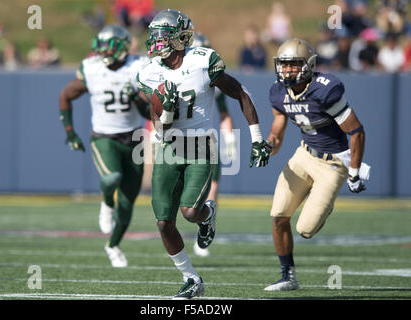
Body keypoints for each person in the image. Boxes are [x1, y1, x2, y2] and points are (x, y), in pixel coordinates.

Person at [137, 9, 272, 299]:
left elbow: (240, 92)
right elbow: (157, 125)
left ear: (179, 37)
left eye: (161, 35)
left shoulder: (202, 61)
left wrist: (257, 138)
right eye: (155, 35)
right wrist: (167, 111)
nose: (156, 41)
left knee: (190, 212)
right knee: (163, 221)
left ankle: (207, 214)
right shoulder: (149, 72)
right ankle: (191, 278)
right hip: (169, 147)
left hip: (199, 145)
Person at [264, 38, 367, 291]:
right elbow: (277, 134)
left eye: (293, 65)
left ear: (308, 65)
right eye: (284, 65)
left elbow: (356, 132)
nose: (287, 70)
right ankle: (288, 276)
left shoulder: (324, 89)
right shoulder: (278, 92)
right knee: (278, 216)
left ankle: (325, 199)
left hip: (333, 163)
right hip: (304, 154)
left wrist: (354, 173)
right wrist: (267, 147)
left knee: (305, 229)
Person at [59, 25, 150, 268]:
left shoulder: (138, 67)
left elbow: (149, 112)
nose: (103, 54)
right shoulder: (91, 68)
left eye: (108, 49)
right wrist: (70, 132)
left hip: (134, 138)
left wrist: (136, 98)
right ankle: (106, 203)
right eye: (101, 49)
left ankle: (113, 245)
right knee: (111, 179)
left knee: (129, 202)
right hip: (104, 137)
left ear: (121, 48)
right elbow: (65, 96)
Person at [191, 32, 237, 258]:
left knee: (213, 185)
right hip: (178, 140)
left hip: (206, 141)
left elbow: (225, 114)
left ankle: (204, 226)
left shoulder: (214, 81)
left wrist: (229, 139)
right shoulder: (174, 75)